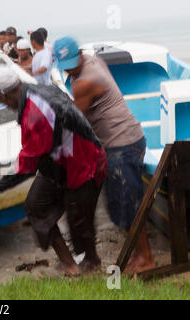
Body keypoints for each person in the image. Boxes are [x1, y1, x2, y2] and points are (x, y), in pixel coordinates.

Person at [0, 65, 107, 276]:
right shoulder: (39, 89)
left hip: (84, 164)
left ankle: (91, 264)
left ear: (2, 96)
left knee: (79, 222)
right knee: (36, 205)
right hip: (59, 164)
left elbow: (27, 165)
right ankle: (70, 264)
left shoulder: (36, 114)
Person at [53, 36, 154, 274]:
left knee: (127, 204)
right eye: (65, 64)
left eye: (71, 61)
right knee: (119, 202)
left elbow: (78, 123)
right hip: (127, 139)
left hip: (122, 144)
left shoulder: (84, 82)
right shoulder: (93, 60)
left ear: (78, 53)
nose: (69, 67)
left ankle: (146, 258)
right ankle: (139, 254)